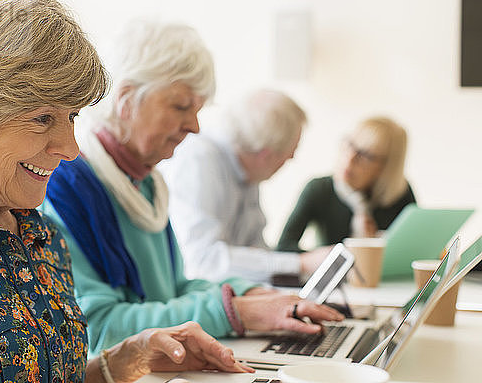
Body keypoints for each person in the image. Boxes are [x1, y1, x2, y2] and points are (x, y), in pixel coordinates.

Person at [0, 0, 255, 382]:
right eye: (42, 118)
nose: (71, 148)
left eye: (72, 116)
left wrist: (127, 359)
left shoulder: (44, 236)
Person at [43, 20, 344, 358]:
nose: (195, 126)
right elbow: (95, 330)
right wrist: (234, 312)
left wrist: (249, 295)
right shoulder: (63, 189)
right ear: (127, 100)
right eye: (181, 107)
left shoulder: (144, 185)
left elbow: (174, 290)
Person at [159, 89, 330, 284]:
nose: (291, 159)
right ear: (265, 155)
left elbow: (255, 248)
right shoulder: (197, 161)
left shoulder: (248, 171)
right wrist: (299, 263)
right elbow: (201, 262)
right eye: (289, 154)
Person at [277, 116, 416, 251]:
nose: (349, 159)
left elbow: (414, 249)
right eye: (350, 145)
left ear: (386, 167)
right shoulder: (319, 189)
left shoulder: (401, 194)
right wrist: (330, 256)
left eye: (365, 155)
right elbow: (284, 247)